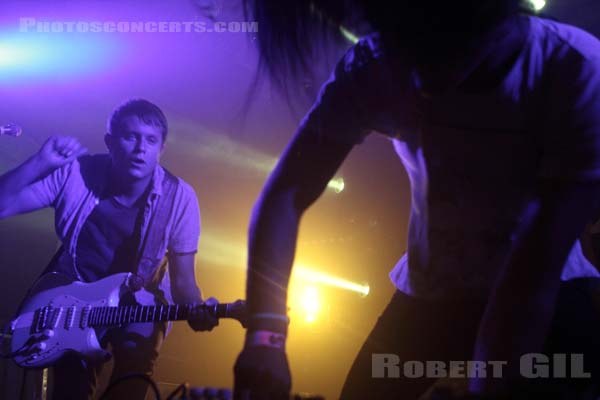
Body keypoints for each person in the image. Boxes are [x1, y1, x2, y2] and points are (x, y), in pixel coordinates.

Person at [233, 1, 600, 399]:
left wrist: (487, 384)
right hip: (430, 294)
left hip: (549, 298)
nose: (417, 71)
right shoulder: (380, 62)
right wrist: (265, 336)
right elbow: (287, 192)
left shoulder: (576, 69)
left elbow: (536, 268)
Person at [0, 99, 218, 399]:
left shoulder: (180, 197)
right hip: (74, 301)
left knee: (135, 370)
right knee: (71, 389)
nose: (141, 148)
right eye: (131, 137)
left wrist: (199, 308)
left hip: (138, 304)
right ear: (110, 142)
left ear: (161, 149)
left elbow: (184, 283)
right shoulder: (76, 173)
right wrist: (39, 162)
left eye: (151, 140)